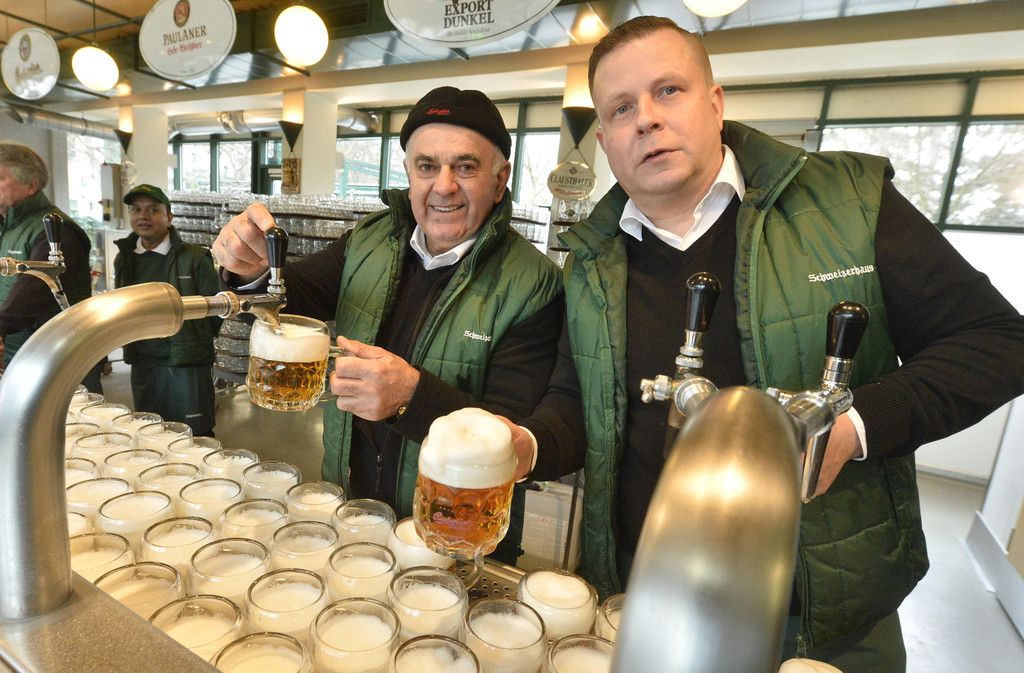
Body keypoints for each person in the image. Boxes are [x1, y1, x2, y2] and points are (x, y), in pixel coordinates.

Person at [510, 16, 1024, 673]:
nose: (647, 119)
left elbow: (999, 341)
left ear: (715, 102)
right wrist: (525, 443)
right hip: (643, 595)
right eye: (621, 108)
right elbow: (574, 401)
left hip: (823, 619)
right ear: (605, 140)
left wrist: (855, 426)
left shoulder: (845, 203)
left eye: (668, 91)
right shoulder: (590, 259)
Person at [213, 86, 563, 559]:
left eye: (465, 166)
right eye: (427, 166)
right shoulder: (370, 239)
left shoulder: (534, 283)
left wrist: (411, 400)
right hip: (351, 510)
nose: (443, 186)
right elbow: (294, 293)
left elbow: (511, 434)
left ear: (500, 181)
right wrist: (249, 268)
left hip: (455, 534)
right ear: (408, 173)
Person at [114, 184, 220, 436]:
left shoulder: (195, 258)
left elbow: (216, 310)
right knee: (150, 433)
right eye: (136, 209)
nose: (143, 216)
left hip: (187, 366)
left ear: (169, 217)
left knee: (195, 435)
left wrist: (193, 341)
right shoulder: (125, 259)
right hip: (143, 362)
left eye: (153, 210)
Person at [0, 142, 101, 391]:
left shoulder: (57, 230)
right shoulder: (8, 227)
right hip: (18, 352)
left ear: (31, 185)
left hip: (53, 357)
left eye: (1, 178)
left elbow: (34, 289)